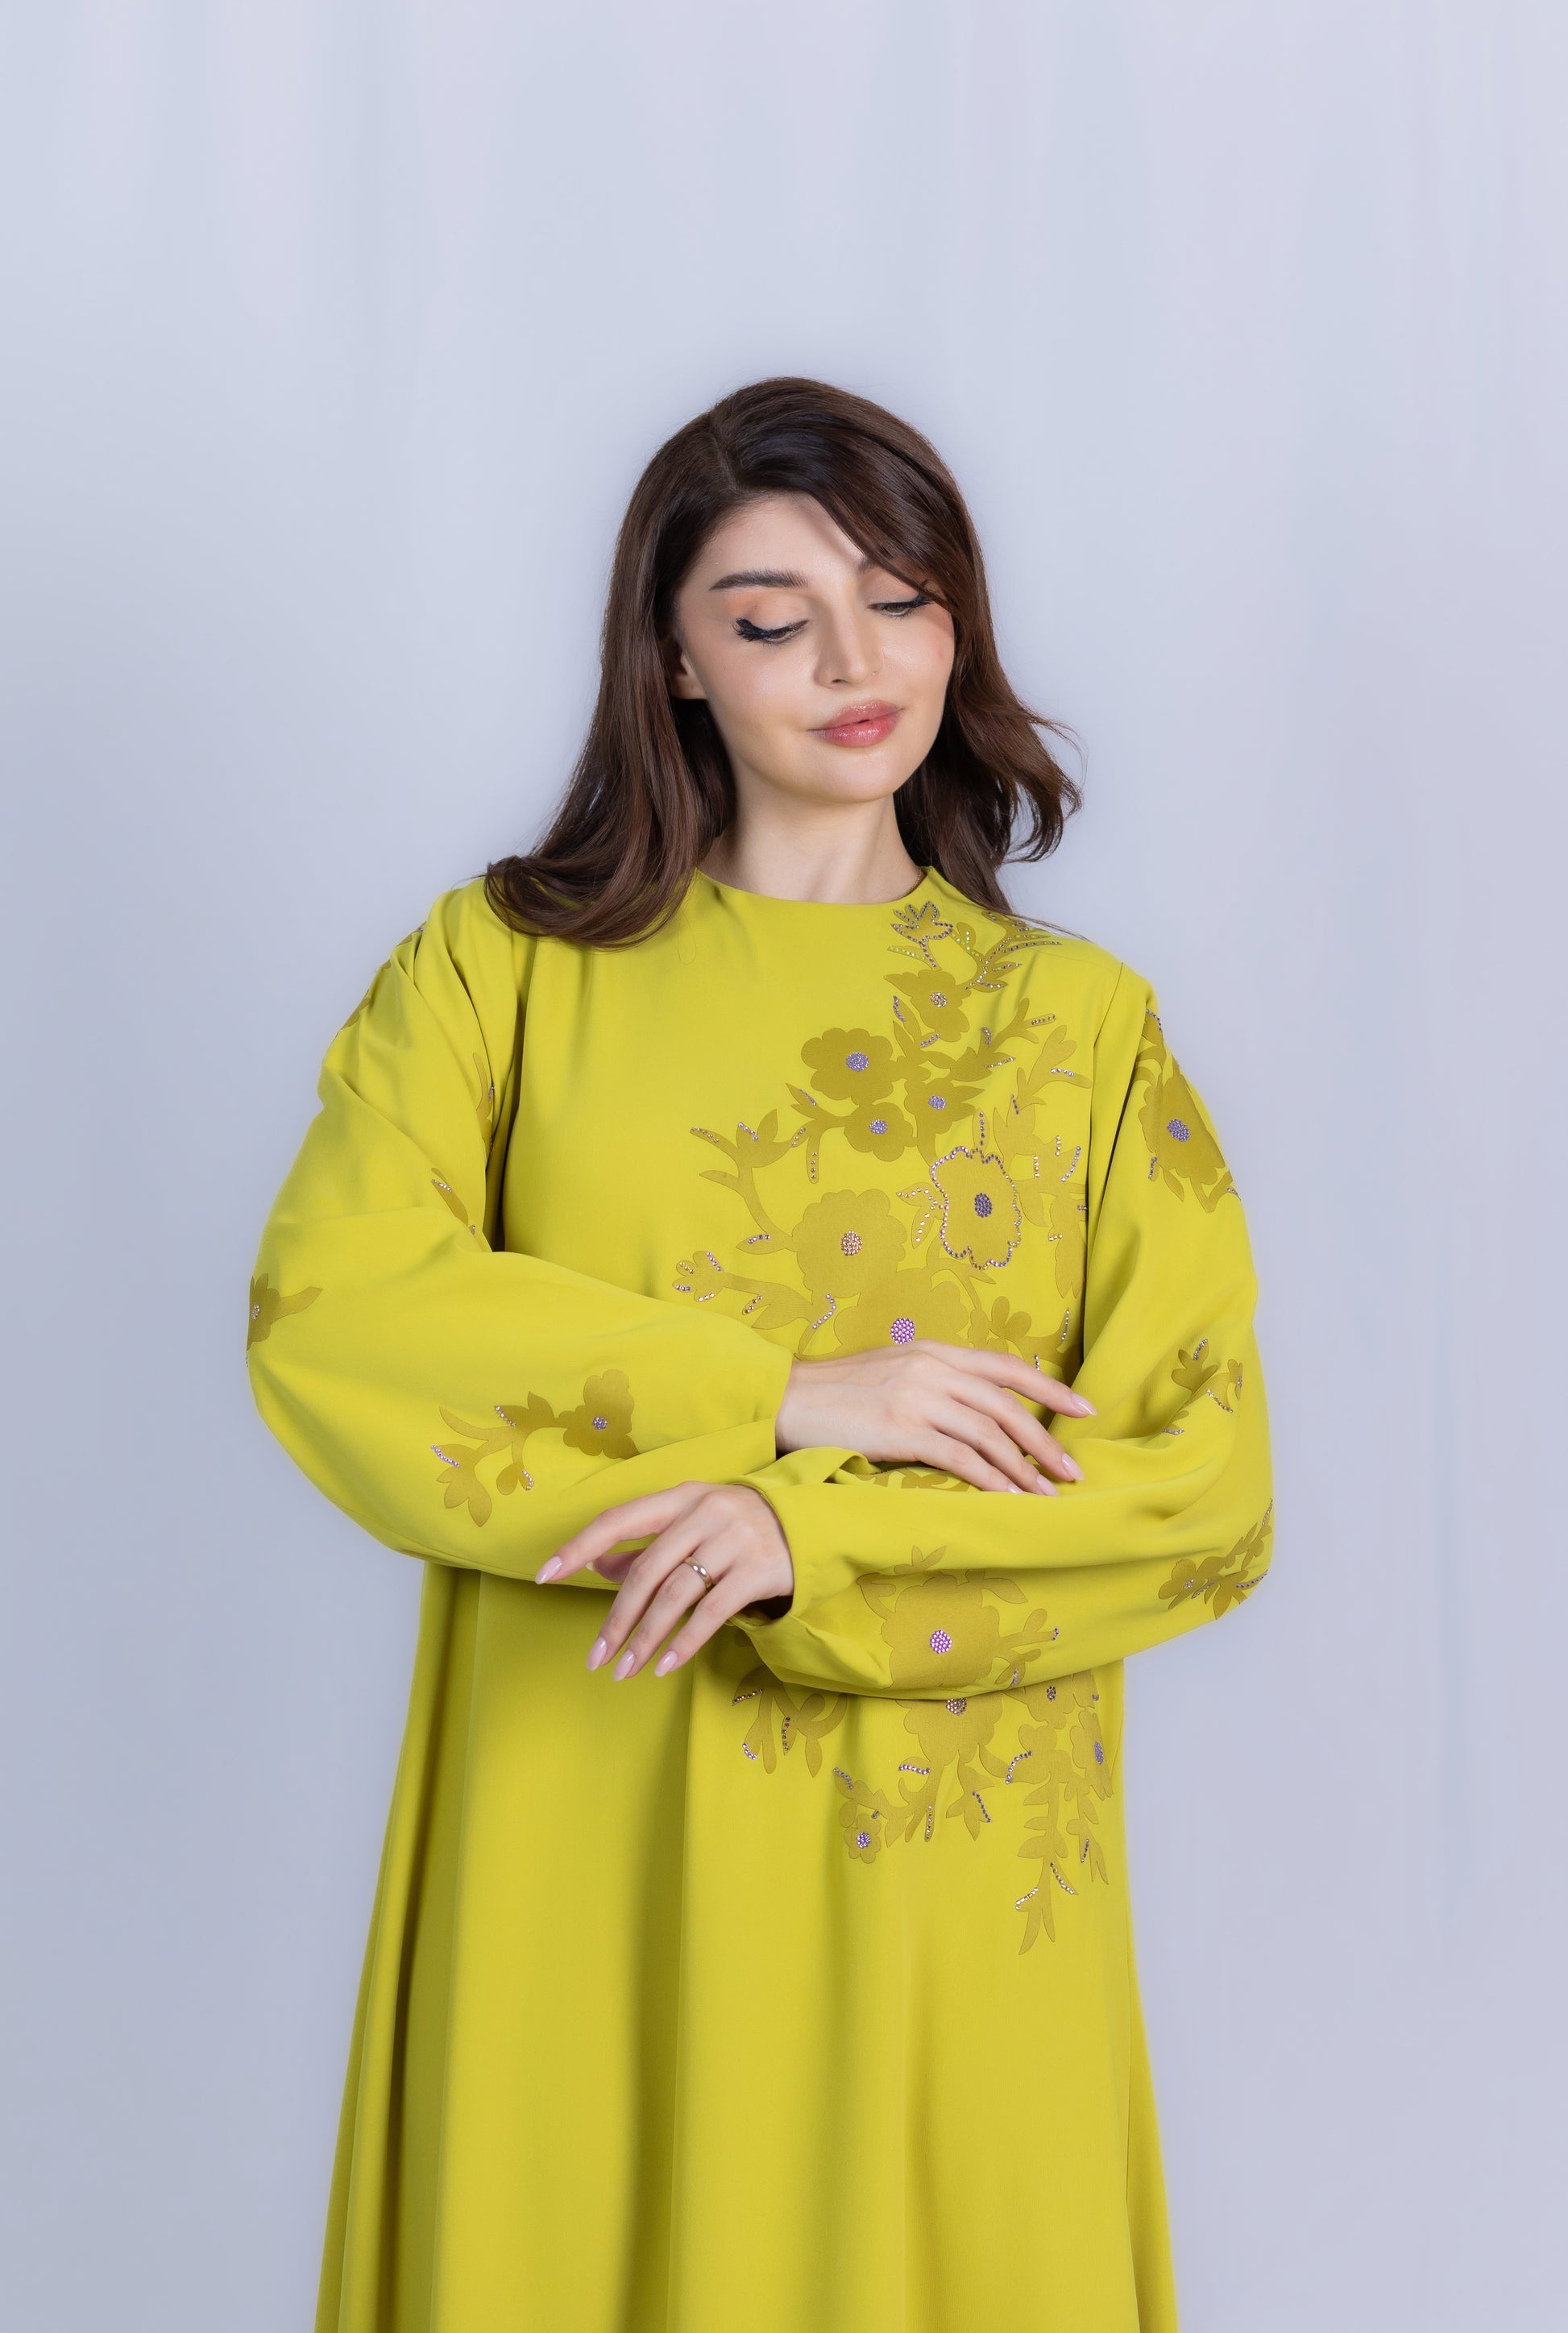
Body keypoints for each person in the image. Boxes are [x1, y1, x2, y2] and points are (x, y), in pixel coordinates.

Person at [247, 376, 1272, 2333]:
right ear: (675, 659)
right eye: (771, 616)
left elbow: (1201, 1483)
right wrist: (772, 1397)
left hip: (934, 1869)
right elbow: (335, 1308)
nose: (851, 664)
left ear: (958, 627)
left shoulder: (1076, 1031)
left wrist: (816, 1531)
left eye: (898, 600)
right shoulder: (500, 970)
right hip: (581, 1816)